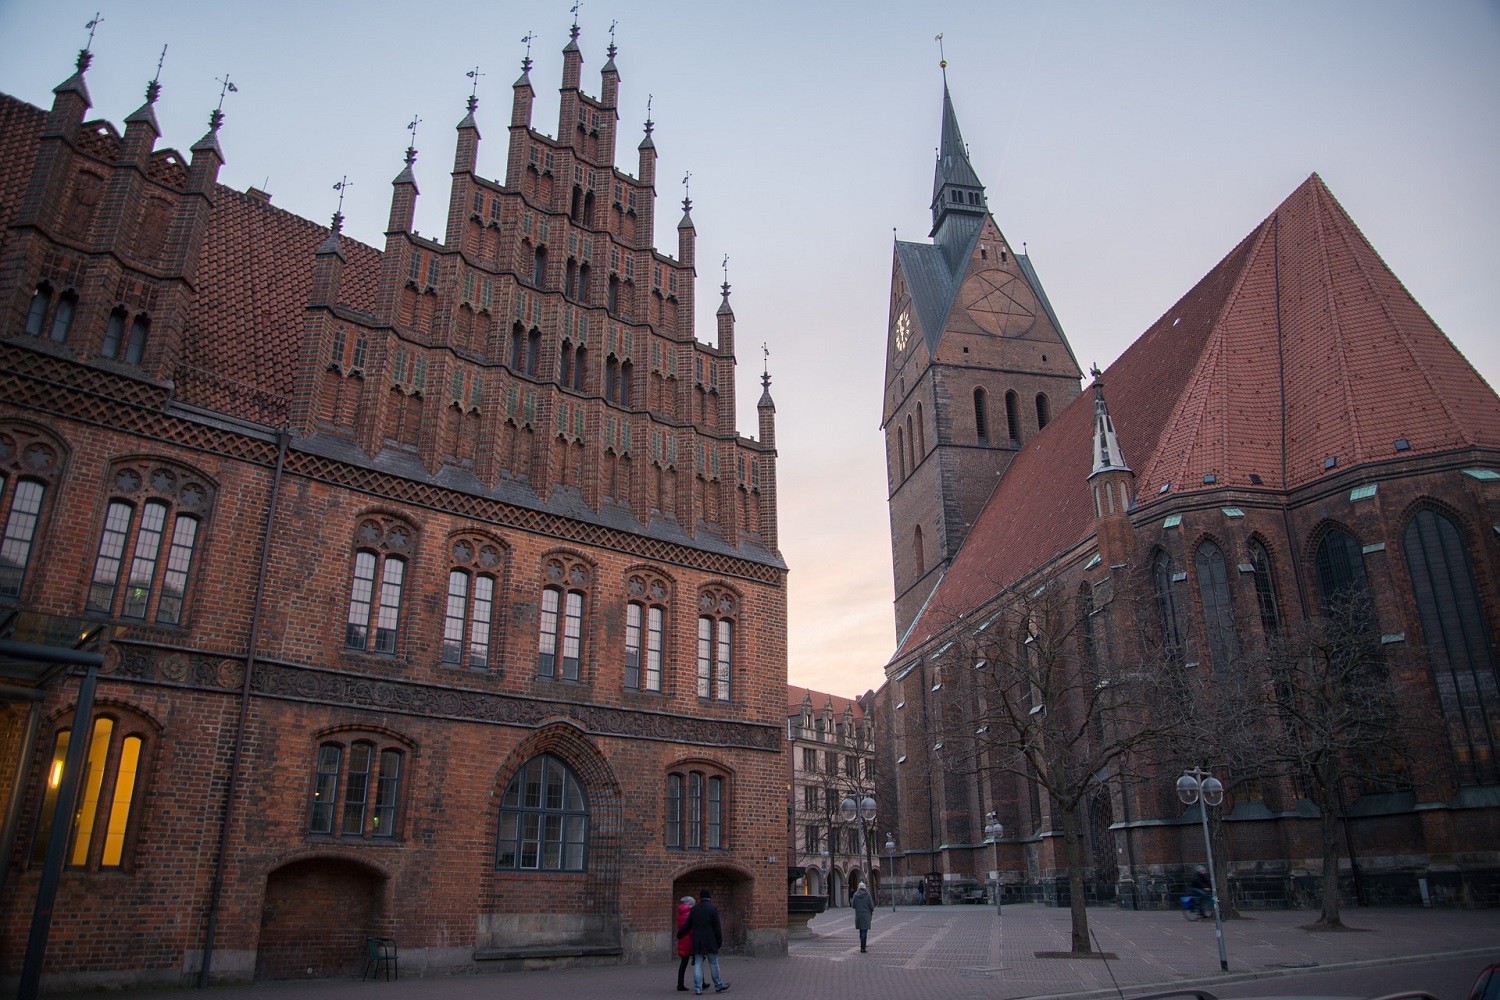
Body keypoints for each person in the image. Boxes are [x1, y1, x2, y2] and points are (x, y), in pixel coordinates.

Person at [677, 889, 729, 994]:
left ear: (700, 897)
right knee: (713, 963)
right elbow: (717, 928)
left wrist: (679, 934)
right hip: (710, 940)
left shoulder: (694, 909)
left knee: (698, 964)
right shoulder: (712, 909)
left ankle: (698, 988)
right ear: (709, 897)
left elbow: (687, 925)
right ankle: (718, 985)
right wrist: (719, 941)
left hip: (698, 940)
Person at [675, 895, 695, 991]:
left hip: (683, 940)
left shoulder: (681, 913)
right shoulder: (689, 914)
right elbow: (691, 929)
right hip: (690, 941)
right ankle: (701, 982)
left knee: (683, 964)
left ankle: (680, 983)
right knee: (697, 961)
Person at [851, 882, 874, 952]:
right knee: (864, 930)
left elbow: (853, 905)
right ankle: (863, 947)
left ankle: (862, 945)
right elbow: (871, 906)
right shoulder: (867, 895)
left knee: (861, 930)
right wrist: (871, 910)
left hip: (859, 915)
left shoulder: (855, 895)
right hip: (866, 915)